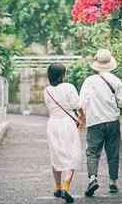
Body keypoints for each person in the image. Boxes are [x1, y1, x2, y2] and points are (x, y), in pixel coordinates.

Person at [80, 49, 122, 196]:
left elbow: (81, 103)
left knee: (92, 152)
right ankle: (113, 182)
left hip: (94, 122)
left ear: (96, 64)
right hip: (112, 122)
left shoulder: (88, 81)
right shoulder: (116, 81)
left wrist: (82, 116)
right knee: (113, 152)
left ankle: (92, 179)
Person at [44, 63, 84, 203]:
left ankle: (58, 187)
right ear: (63, 75)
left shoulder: (47, 90)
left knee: (56, 154)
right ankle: (66, 187)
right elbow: (77, 105)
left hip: (53, 124)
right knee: (72, 153)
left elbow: (49, 107)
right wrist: (81, 117)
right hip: (67, 123)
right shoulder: (69, 87)